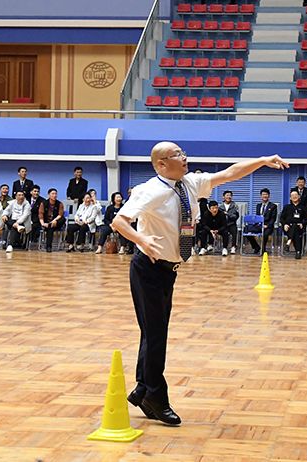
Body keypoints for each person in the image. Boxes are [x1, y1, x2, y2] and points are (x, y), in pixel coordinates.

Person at [110, 140, 288, 427]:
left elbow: (229, 174)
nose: (184, 157)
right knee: (156, 334)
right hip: (148, 268)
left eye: (183, 152)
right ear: (161, 164)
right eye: (177, 154)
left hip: (168, 269)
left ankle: (143, 388)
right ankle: (156, 396)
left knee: (152, 331)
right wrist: (142, 239)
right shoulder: (149, 190)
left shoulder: (189, 184)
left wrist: (263, 159)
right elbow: (119, 221)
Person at [246, 188, 277, 254]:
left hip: (268, 226)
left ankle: (263, 249)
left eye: (266, 194)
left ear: (269, 196)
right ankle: (256, 247)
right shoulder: (258, 205)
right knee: (246, 231)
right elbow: (257, 217)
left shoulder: (273, 206)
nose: (264, 196)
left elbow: (273, 218)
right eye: (263, 194)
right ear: (261, 196)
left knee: (265, 234)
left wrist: (267, 225)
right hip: (259, 225)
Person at [280, 190, 307, 259]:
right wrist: (284, 225)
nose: (294, 197)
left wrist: (303, 223)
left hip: (299, 227)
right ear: (290, 198)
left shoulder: (303, 207)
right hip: (288, 227)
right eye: (292, 195)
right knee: (295, 229)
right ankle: (298, 251)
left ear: (299, 196)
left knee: (296, 227)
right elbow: (281, 218)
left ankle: (288, 242)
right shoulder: (287, 207)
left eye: (296, 195)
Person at [39, 188, 65, 253]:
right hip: (47, 223)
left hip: (57, 222)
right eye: (53, 194)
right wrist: (42, 223)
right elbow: (41, 214)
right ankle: (48, 247)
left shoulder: (60, 203)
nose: (54, 195)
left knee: (63, 219)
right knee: (50, 227)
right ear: (49, 195)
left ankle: (52, 224)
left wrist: (55, 220)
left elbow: (60, 214)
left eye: (56, 194)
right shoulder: (44, 203)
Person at [220, 190, 239, 255]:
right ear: (223, 197)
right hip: (223, 224)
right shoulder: (220, 206)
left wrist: (227, 214)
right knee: (224, 232)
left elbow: (235, 217)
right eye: (227, 195)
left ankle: (233, 247)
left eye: (230, 195)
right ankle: (224, 248)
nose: (229, 197)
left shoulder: (234, 206)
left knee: (234, 231)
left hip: (232, 223)